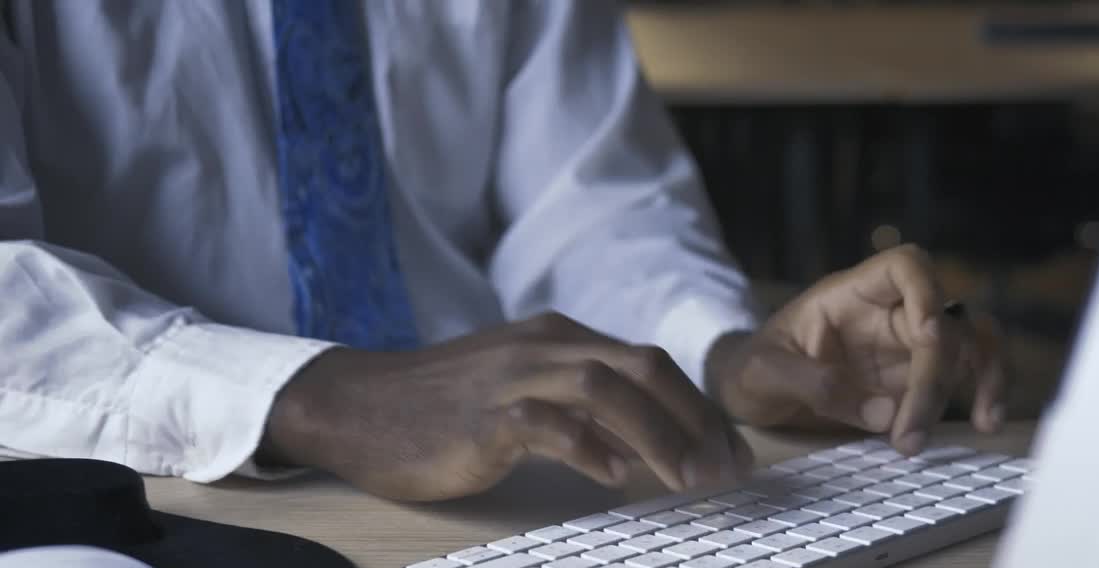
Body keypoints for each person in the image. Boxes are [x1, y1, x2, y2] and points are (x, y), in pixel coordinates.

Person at [0, 1, 1004, 502]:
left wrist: (720, 353)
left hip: (509, 491)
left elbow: (587, 203)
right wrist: (315, 396)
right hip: (156, 502)